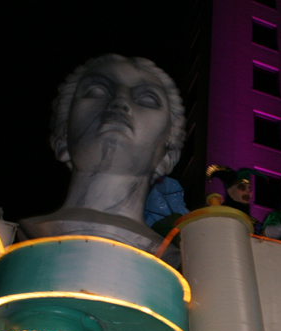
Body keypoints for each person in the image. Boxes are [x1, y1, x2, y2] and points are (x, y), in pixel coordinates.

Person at [21, 54, 186, 257]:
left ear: (168, 151)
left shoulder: (177, 261)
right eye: (97, 91)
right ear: (63, 134)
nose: (120, 101)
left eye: (147, 99)